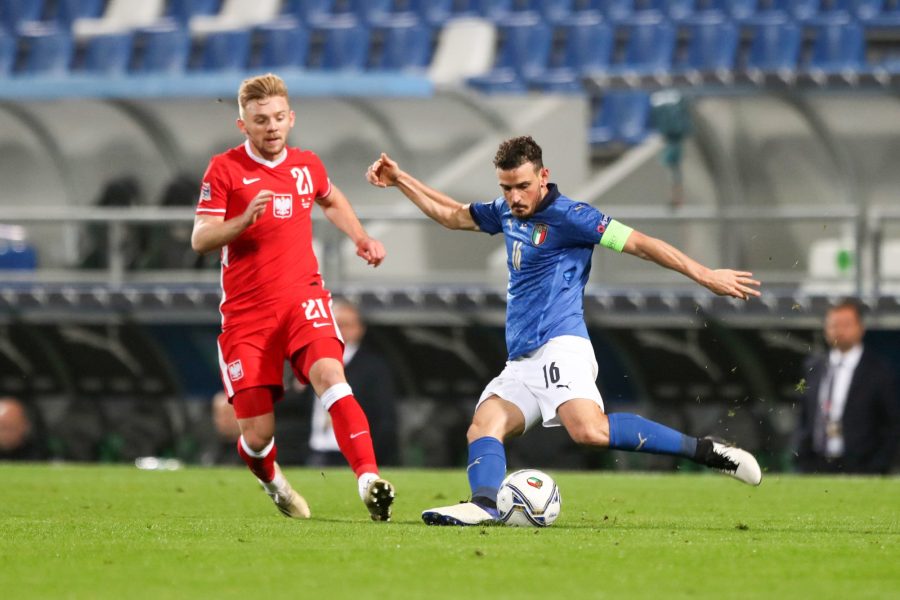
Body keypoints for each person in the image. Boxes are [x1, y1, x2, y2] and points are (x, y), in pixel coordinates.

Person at [366, 136, 763, 526]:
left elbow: (641, 243)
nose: (515, 197)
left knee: (589, 430)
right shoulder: (506, 212)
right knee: (484, 425)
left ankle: (708, 452)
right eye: (507, 188)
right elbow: (452, 215)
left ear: (543, 177)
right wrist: (402, 179)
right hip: (522, 357)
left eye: (523, 186)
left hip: (561, 344)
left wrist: (705, 274)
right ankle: (485, 504)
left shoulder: (573, 216)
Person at [191, 73, 395, 521]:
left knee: (331, 377)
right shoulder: (224, 169)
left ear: (291, 118)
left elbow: (330, 196)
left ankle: (369, 480)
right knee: (258, 434)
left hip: (303, 299)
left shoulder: (306, 165)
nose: (272, 126)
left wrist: (360, 238)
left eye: (279, 117)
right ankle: (272, 481)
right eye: (261, 119)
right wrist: (243, 221)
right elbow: (201, 238)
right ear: (243, 124)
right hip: (248, 316)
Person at [795, 299, 900, 474]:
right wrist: (801, 455)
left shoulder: (880, 371)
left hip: (862, 465)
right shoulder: (814, 367)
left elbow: (892, 423)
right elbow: (805, 416)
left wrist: (880, 464)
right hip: (817, 463)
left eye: (846, 324)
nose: (839, 331)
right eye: (833, 325)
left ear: (861, 327)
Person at [306, 299, 399, 467]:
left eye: (345, 325)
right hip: (317, 451)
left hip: (354, 453)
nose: (339, 331)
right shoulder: (312, 361)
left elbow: (384, 415)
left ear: (359, 329)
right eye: (335, 325)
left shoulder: (373, 367)